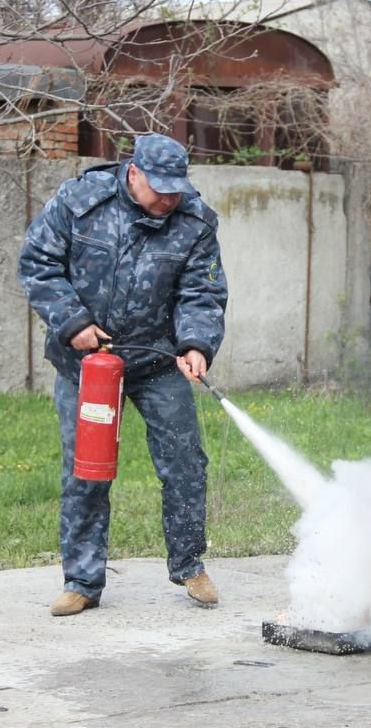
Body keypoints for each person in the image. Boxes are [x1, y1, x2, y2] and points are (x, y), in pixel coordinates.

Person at [19, 133, 228, 617]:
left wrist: (195, 344)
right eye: (160, 189)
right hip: (87, 366)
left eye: (177, 189)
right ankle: (82, 582)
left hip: (158, 364)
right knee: (86, 471)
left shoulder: (195, 221)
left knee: (185, 464)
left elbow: (202, 291)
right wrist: (72, 322)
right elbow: (38, 264)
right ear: (134, 173)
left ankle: (190, 565)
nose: (169, 199)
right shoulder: (80, 202)